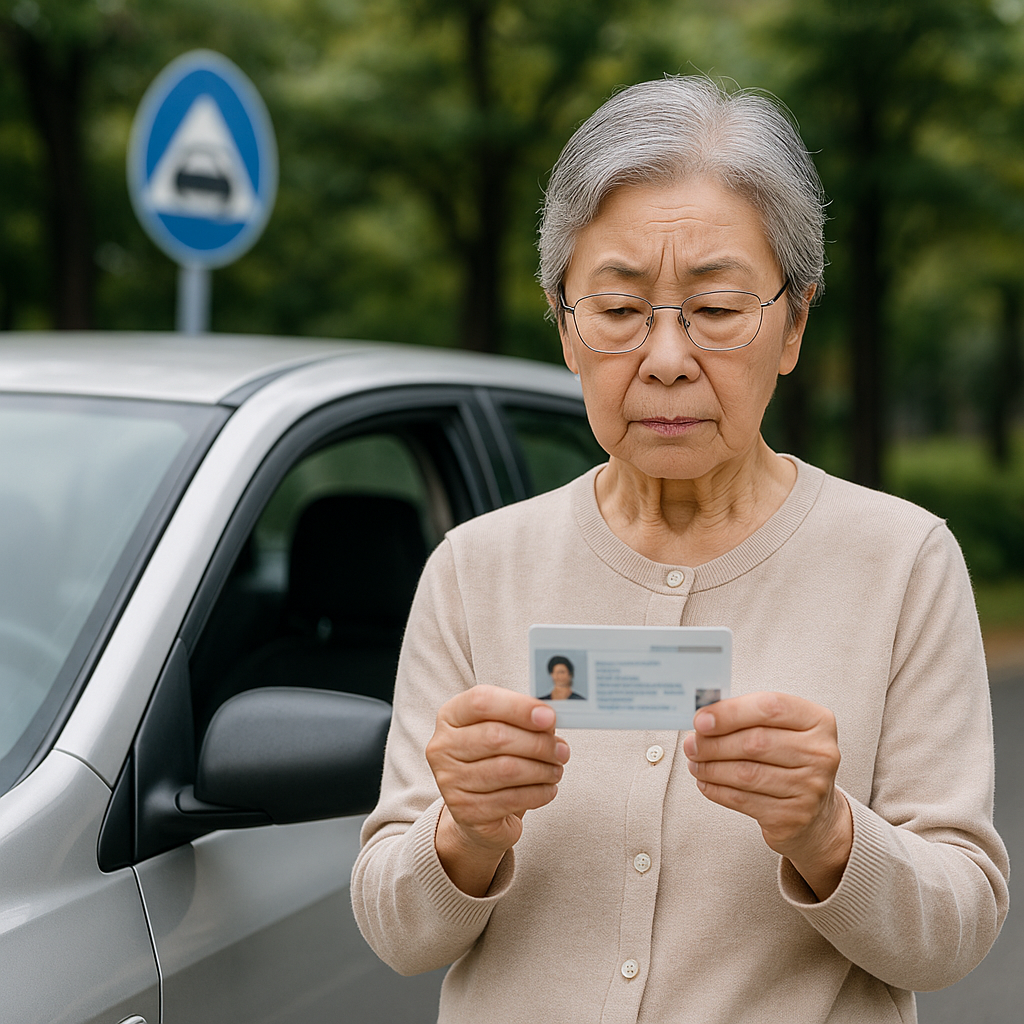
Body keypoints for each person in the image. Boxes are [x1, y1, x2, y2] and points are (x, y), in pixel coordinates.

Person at [351, 76, 1008, 1023]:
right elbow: (396, 932)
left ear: (795, 322)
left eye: (718, 306)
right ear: (565, 326)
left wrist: (829, 834)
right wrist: (465, 831)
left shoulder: (901, 562)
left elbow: (958, 932)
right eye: (617, 311)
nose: (665, 357)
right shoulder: (473, 568)